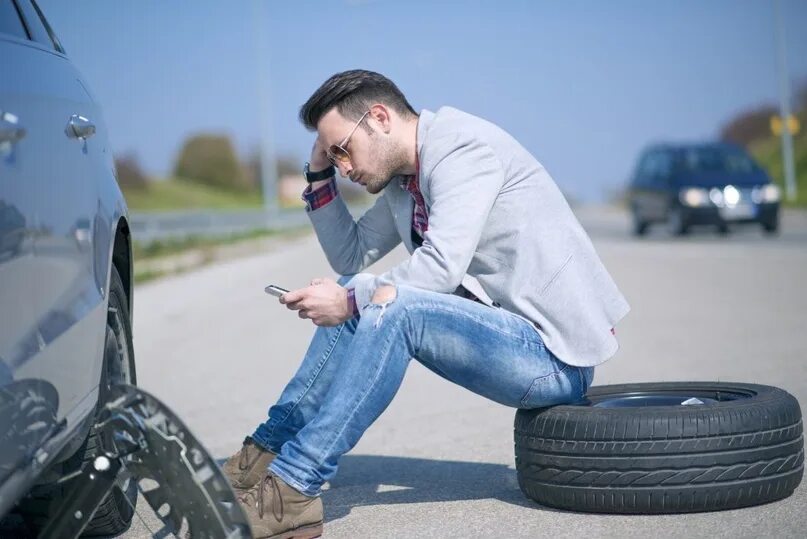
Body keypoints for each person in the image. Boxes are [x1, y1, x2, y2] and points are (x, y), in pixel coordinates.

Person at [225, 69, 630, 538]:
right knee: (359, 286)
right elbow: (350, 256)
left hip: (551, 356)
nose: (343, 165)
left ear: (378, 118)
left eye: (341, 150)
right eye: (332, 156)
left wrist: (350, 300)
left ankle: (293, 488)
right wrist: (317, 177)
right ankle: (264, 456)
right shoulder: (405, 181)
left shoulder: (463, 149)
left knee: (391, 306)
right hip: (502, 339)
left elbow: (441, 269)